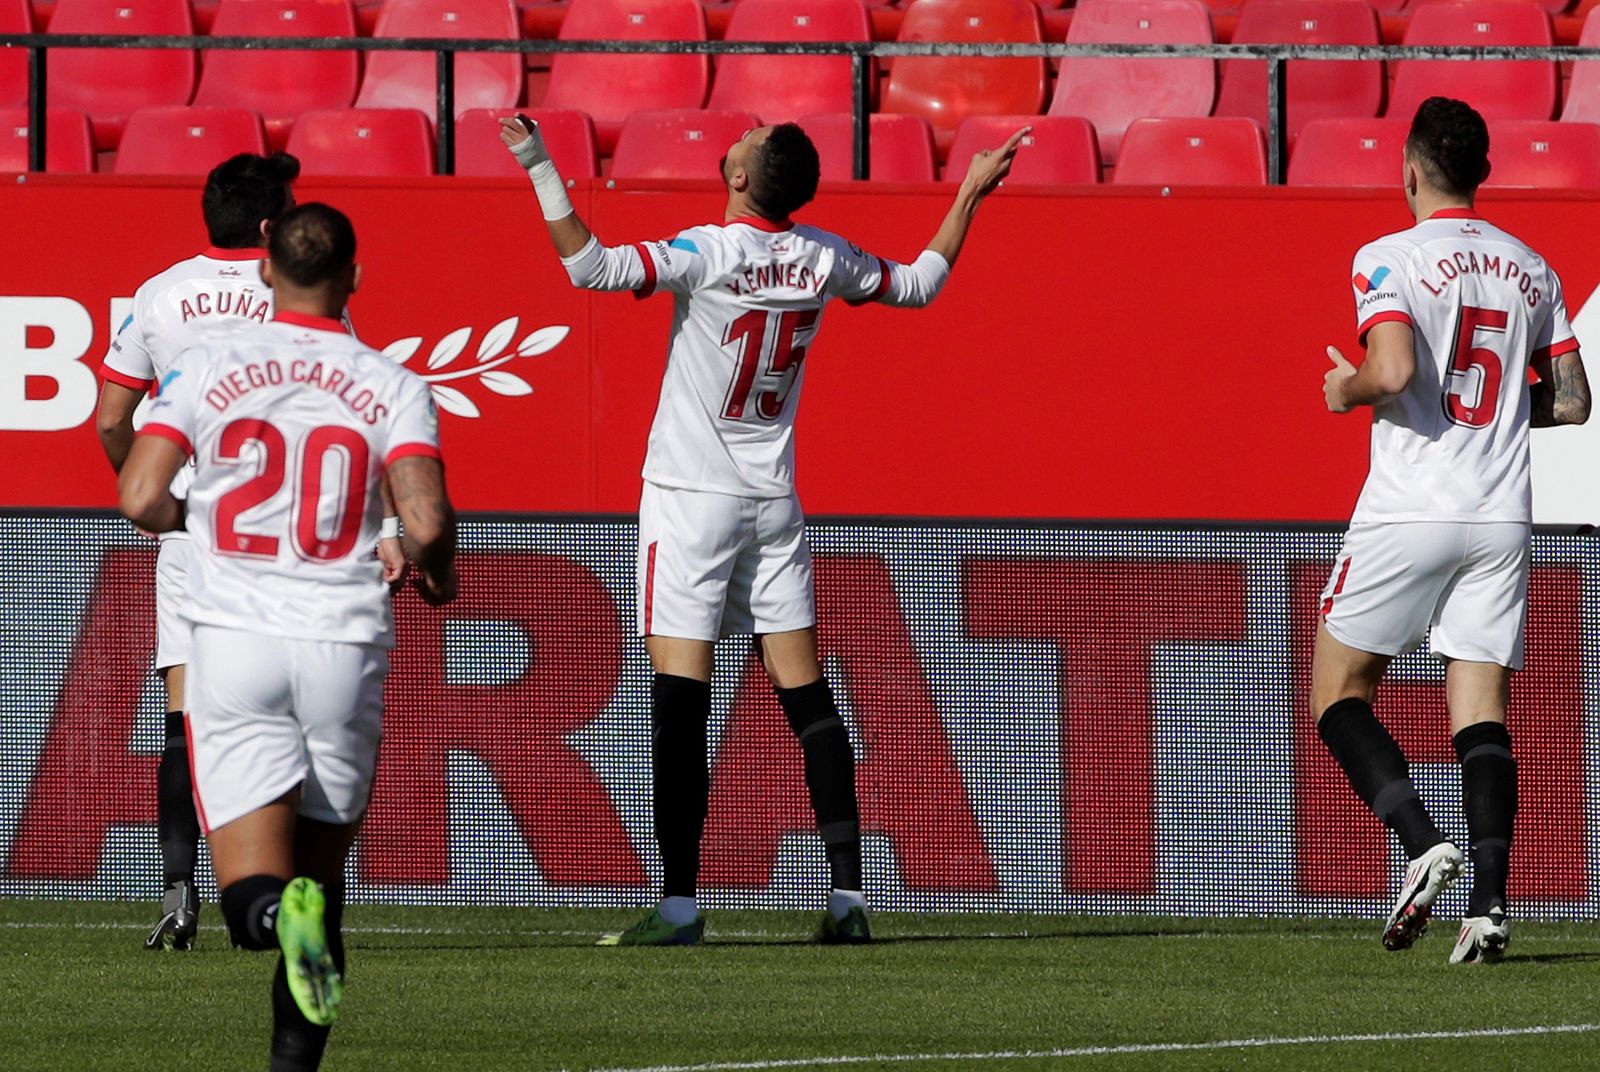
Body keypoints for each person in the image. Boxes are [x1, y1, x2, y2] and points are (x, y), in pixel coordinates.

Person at [500, 115, 1025, 945]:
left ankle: (677, 906)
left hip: (689, 495)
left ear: (744, 178)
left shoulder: (709, 251)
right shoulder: (824, 256)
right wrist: (968, 192)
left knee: (680, 701)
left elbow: (588, 267)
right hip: (773, 499)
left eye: (746, 140)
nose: (737, 136)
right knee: (807, 694)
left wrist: (534, 159)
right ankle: (849, 901)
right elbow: (922, 283)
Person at [117, 202, 457, 1070]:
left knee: (254, 893)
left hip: (234, 641)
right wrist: (441, 576)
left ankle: (271, 919)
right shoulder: (393, 381)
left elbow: (140, 496)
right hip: (344, 641)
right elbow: (425, 517)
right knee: (321, 883)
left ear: (264, 270)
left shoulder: (205, 371)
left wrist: (217, 517)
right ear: (354, 278)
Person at [96, 153, 406, 949]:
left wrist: (165, 509)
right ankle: (293, 902)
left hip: (205, 527)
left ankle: (180, 891)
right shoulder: (301, 292)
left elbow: (109, 419)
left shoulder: (159, 295)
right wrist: (392, 533)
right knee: (305, 721)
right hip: (302, 538)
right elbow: (356, 406)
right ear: (275, 229)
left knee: (187, 718)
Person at [1315, 96, 1589, 964]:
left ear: (1409, 169)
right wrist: (1505, 407)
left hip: (1411, 503)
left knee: (1339, 693)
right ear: (1482, 173)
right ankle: (1492, 903)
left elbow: (1392, 367)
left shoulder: (1388, 257)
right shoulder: (1533, 266)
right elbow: (1576, 401)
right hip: (1502, 513)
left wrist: (1346, 390)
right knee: (1481, 712)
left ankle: (1421, 841)